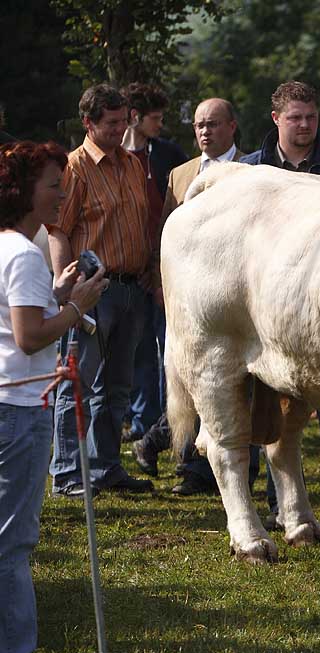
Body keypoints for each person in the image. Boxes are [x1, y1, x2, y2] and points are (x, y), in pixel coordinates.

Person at [241, 81, 320, 532]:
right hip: (267, 299)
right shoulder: (249, 171)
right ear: (275, 118)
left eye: (311, 117)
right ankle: (282, 502)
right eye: (295, 117)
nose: (305, 126)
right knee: (268, 403)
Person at [1, 140, 107, 653]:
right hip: (19, 409)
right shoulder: (21, 253)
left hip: (9, 401)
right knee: (12, 546)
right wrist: (75, 307)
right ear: (21, 191)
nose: (60, 195)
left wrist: (56, 291)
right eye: (51, 185)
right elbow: (28, 336)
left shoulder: (6, 248)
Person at [131, 97, 253, 495]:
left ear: (232, 126)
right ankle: (187, 464)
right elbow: (168, 231)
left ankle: (194, 459)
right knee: (185, 374)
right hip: (187, 295)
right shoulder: (180, 174)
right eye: (200, 124)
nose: (205, 131)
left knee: (230, 380)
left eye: (214, 124)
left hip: (237, 294)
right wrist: (162, 283)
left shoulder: (254, 171)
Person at [47, 84, 155, 497]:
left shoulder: (131, 163)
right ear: (88, 123)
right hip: (94, 291)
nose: (119, 129)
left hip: (131, 288)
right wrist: (69, 287)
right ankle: (68, 473)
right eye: (110, 123)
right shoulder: (74, 167)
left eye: (123, 120)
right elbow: (59, 229)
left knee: (117, 388)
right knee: (77, 383)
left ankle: (105, 467)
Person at [120, 83, 188, 444]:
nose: (161, 124)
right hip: (128, 269)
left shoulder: (169, 154)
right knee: (137, 349)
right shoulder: (114, 158)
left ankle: (167, 423)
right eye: (156, 118)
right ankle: (141, 421)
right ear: (136, 117)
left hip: (165, 270)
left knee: (169, 348)